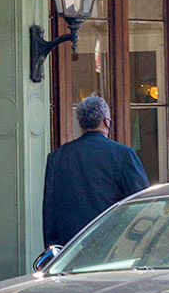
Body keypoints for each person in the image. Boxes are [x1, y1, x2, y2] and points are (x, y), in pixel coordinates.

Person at [42, 95, 149, 249]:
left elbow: (50, 210)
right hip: (112, 247)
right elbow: (142, 203)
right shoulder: (123, 155)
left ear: (81, 124)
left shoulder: (57, 157)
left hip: (69, 249)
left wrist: (52, 248)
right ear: (106, 121)